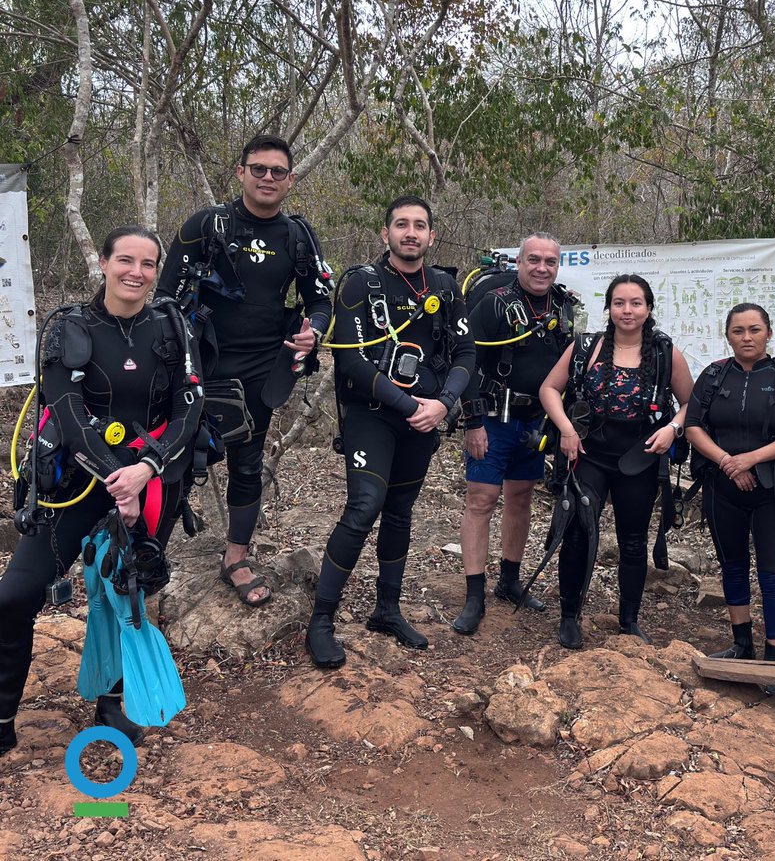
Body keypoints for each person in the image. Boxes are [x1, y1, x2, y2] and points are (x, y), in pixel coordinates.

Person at [0, 227, 204, 755]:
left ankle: (113, 700)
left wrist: (146, 471)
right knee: (15, 595)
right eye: (126, 261)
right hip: (74, 480)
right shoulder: (68, 327)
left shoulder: (172, 325)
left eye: (148, 263)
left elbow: (190, 405)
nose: (136, 272)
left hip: (153, 478)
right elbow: (67, 413)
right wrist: (118, 481)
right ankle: (2, 713)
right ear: (103, 262)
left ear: (158, 270)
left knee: (127, 590)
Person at [159, 135, 332, 609]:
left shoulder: (298, 236)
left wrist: (313, 331)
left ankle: (235, 556)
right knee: (174, 458)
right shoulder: (206, 225)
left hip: (263, 369)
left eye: (278, 171)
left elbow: (321, 301)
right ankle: (149, 551)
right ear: (240, 173)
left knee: (248, 462)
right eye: (258, 169)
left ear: (291, 180)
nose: (268, 178)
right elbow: (165, 301)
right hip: (201, 365)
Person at [305, 195, 475, 668]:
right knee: (364, 506)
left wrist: (443, 404)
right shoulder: (363, 283)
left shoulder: (445, 284)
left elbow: (466, 354)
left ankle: (387, 609)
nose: (411, 233)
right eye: (401, 224)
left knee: (399, 510)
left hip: (425, 416)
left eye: (420, 225)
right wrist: (409, 405)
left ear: (431, 236)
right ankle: (321, 620)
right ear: (386, 234)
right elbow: (350, 360)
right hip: (374, 413)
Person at [540, 274, 693, 648]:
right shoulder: (586, 346)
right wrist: (566, 429)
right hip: (590, 453)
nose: (628, 310)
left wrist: (673, 427)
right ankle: (569, 616)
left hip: (638, 458)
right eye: (620, 303)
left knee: (633, 540)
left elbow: (692, 403)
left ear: (648, 308)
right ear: (608, 307)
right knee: (577, 532)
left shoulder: (664, 351)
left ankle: (629, 620)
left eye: (636, 303)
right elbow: (549, 388)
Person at [451, 234, 576, 634]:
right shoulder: (494, 303)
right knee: (481, 500)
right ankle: (474, 594)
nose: (542, 268)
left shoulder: (565, 305)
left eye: (550, 262)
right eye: (534, 260)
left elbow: (570, 366)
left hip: (535, 420)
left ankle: (509, 580)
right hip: (492, 415)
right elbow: (466, 360)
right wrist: (472, 422)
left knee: (520, 497)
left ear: (558, 266)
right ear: (518, 263)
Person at [684, 304, 775, 673]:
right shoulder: (713, 377)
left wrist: (751, 459)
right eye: (738, 331)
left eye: (754, 330)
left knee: (773, 575)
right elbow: (693, 426)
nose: (747, 337)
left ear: (768, 333)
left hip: (774, 491)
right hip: (721, 488)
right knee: (733, 567)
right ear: (727, 335)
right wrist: (729, 461)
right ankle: (742, 644)